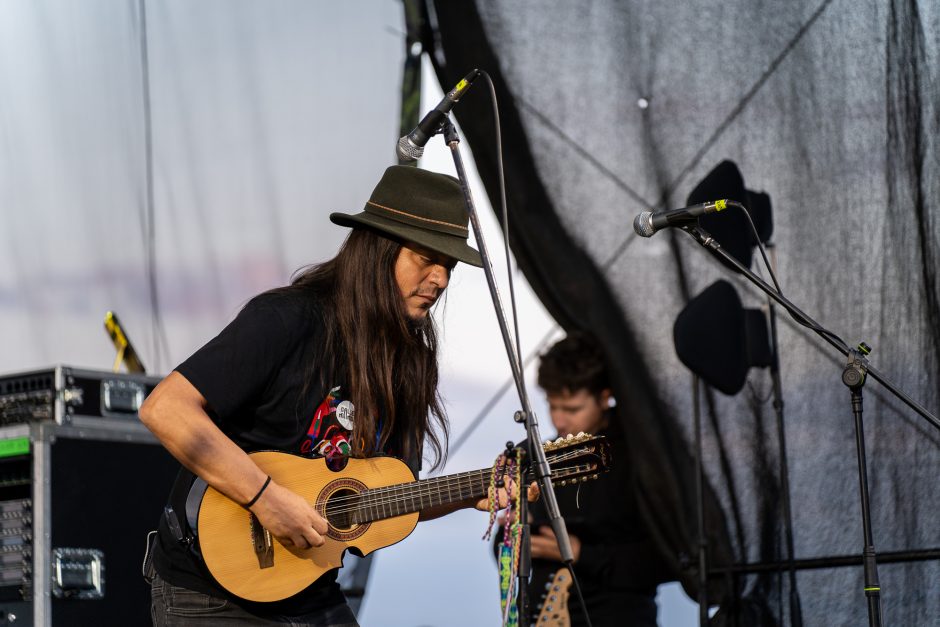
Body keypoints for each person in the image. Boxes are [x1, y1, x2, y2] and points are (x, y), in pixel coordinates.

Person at [140, 165, 508, 625]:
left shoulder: (409, 360)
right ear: (380, 248)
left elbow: (385, 498)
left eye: (449, 264)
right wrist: (266, 499)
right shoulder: (288, 319)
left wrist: (472, 491)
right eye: (427, 258)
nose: (441, 279)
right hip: (211, 593)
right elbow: (165, 409)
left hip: (310, 588)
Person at [519, 332, 671, 627]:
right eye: (552, 406)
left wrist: (582, 554)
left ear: (605, 397)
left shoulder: (643, 458)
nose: (559, 421)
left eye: (572, 409)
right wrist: (511, 536)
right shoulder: (533, 457)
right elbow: (507, 551)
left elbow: (669, 560)